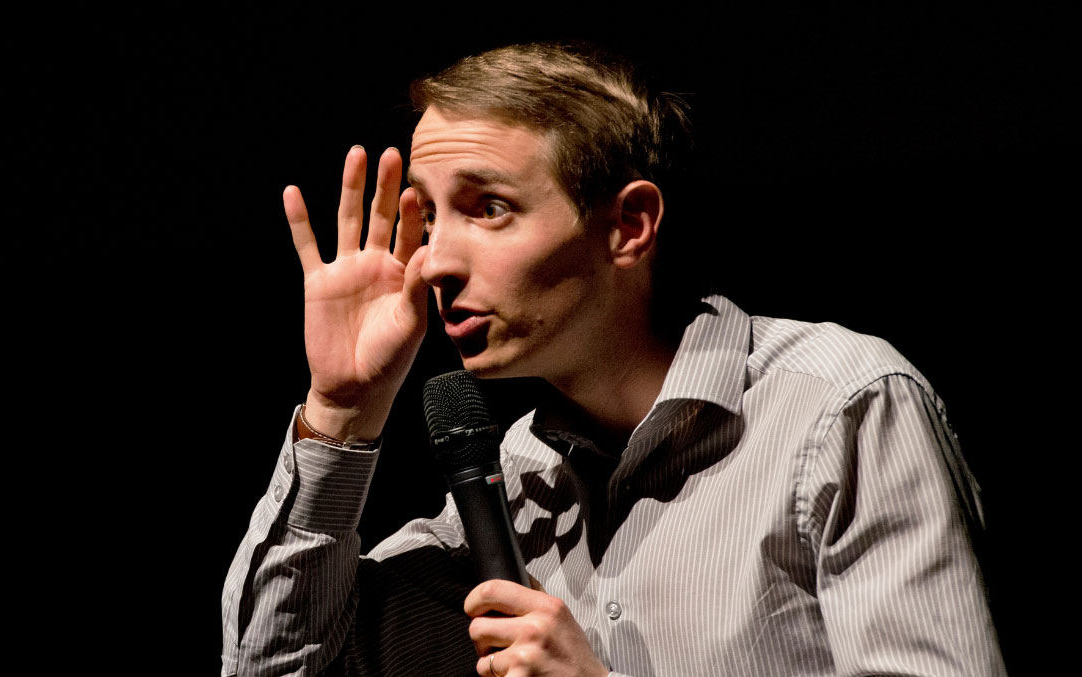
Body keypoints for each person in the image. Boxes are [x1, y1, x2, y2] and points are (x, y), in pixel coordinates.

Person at [221, 42, 1003, 676]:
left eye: (488, 208)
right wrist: (341, 412)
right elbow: (272, 665)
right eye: (427, 218)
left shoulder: (839, 406)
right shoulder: (508, 481)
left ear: (628, 225)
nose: (432, 264)